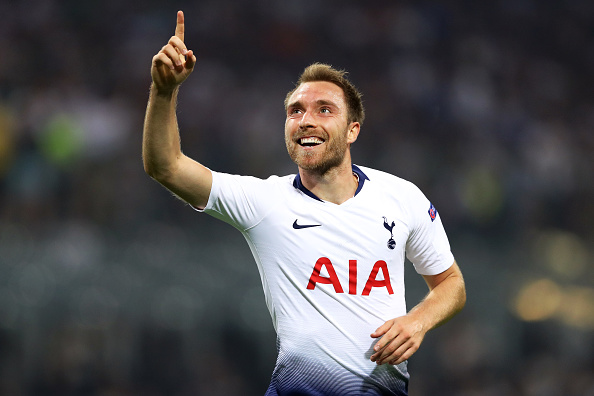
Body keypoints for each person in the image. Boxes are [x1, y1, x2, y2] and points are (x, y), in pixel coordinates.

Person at [143, 10, 466, 396]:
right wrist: (164, 92)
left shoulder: (402, 197)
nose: (305, 120)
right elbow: (166, 166)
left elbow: (451, 283)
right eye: (295, 110)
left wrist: (417, 322)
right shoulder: (265, 201)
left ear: (352, 131)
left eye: (323, 110)